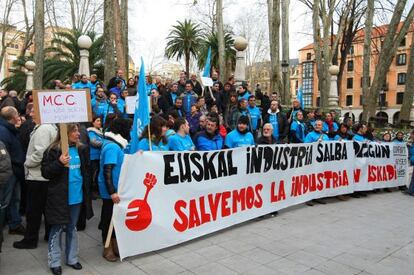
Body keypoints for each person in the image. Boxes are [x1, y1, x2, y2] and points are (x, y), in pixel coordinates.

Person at [41, 123, 93, 274]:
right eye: (74, 131)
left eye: (78, 130)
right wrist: (59, 163)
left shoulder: (82, 149)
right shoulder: (53, 150)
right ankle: (55, 262)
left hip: (77, 197)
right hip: (59, 198)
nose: (78, 133)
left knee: (72, 228)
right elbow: (46, 172)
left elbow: (86, 172)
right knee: (57, 229)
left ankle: (72, 258)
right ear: (65, 133)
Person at [13, 115, 58, 249]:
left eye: (34, 110)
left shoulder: (44, 128)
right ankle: (48, 235)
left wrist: (27, 163)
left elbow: (39, 152)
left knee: (33, 211)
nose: (31, 114)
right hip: (43, 175)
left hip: (37, 175)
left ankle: (30, 240)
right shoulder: (50, 126)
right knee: (45, 208)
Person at [98, 118, 131, 262]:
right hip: (110, 190)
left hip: (117, 188)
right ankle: (107, 247)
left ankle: (114, 243)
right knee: (107, 218)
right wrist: (112, 192)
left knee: (115, 217)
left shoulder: (117, 145)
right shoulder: (112, 147)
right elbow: (108, 170)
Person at [0, 107, 25, 237]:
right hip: (10, 171)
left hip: (14, 170)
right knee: (5, 201)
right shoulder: (3, 132)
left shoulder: (9, 129)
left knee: (15, 199)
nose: (19, 116)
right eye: (17, 114)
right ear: (12, 117)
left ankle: (14, 224)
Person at [87, 116, 103, 199]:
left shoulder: (100, 131)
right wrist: (105, 143)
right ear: (93, 122)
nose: (99, 122)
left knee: (97, 174)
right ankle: (92, 193)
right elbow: (94, 142)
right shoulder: (91, 132)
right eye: (97, 121)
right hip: (93, 157)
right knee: (93, 175)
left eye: (100, 120)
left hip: (98, 157)